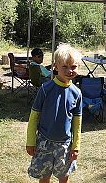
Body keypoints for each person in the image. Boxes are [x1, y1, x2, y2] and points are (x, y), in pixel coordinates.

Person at [26, 44, 83, 183]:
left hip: (65, 145)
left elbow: (77, 122)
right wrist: (30, 141)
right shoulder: (46, 89)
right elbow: (34, 117)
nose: (69, 70)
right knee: (44, 177)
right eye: (65, 66)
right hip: (44, 142)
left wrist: (75, 146)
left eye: (73, 67)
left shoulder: (77, 93)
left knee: (63, 177)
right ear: (55, 67)